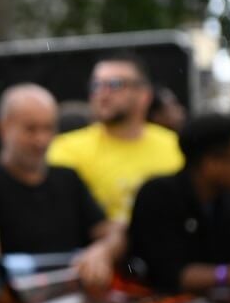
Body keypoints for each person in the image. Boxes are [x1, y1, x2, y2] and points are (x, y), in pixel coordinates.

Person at [0, 84, 123, 292]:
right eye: (30, 129)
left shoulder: (67, 178)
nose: (41, 139)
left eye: (48, 128)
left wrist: (102, 251)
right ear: (3, 129)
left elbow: (110, 231)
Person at [47, 53, 183, 222]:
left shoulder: (176, 146)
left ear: (144, 95)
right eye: (96, 85)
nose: (102, 93)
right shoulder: (64, 149)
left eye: (115, 84)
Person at [128, 114, 230, 293]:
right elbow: (170, 274)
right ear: (210, 163)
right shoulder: (159, 195)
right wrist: (227, 275)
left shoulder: (229, 199)